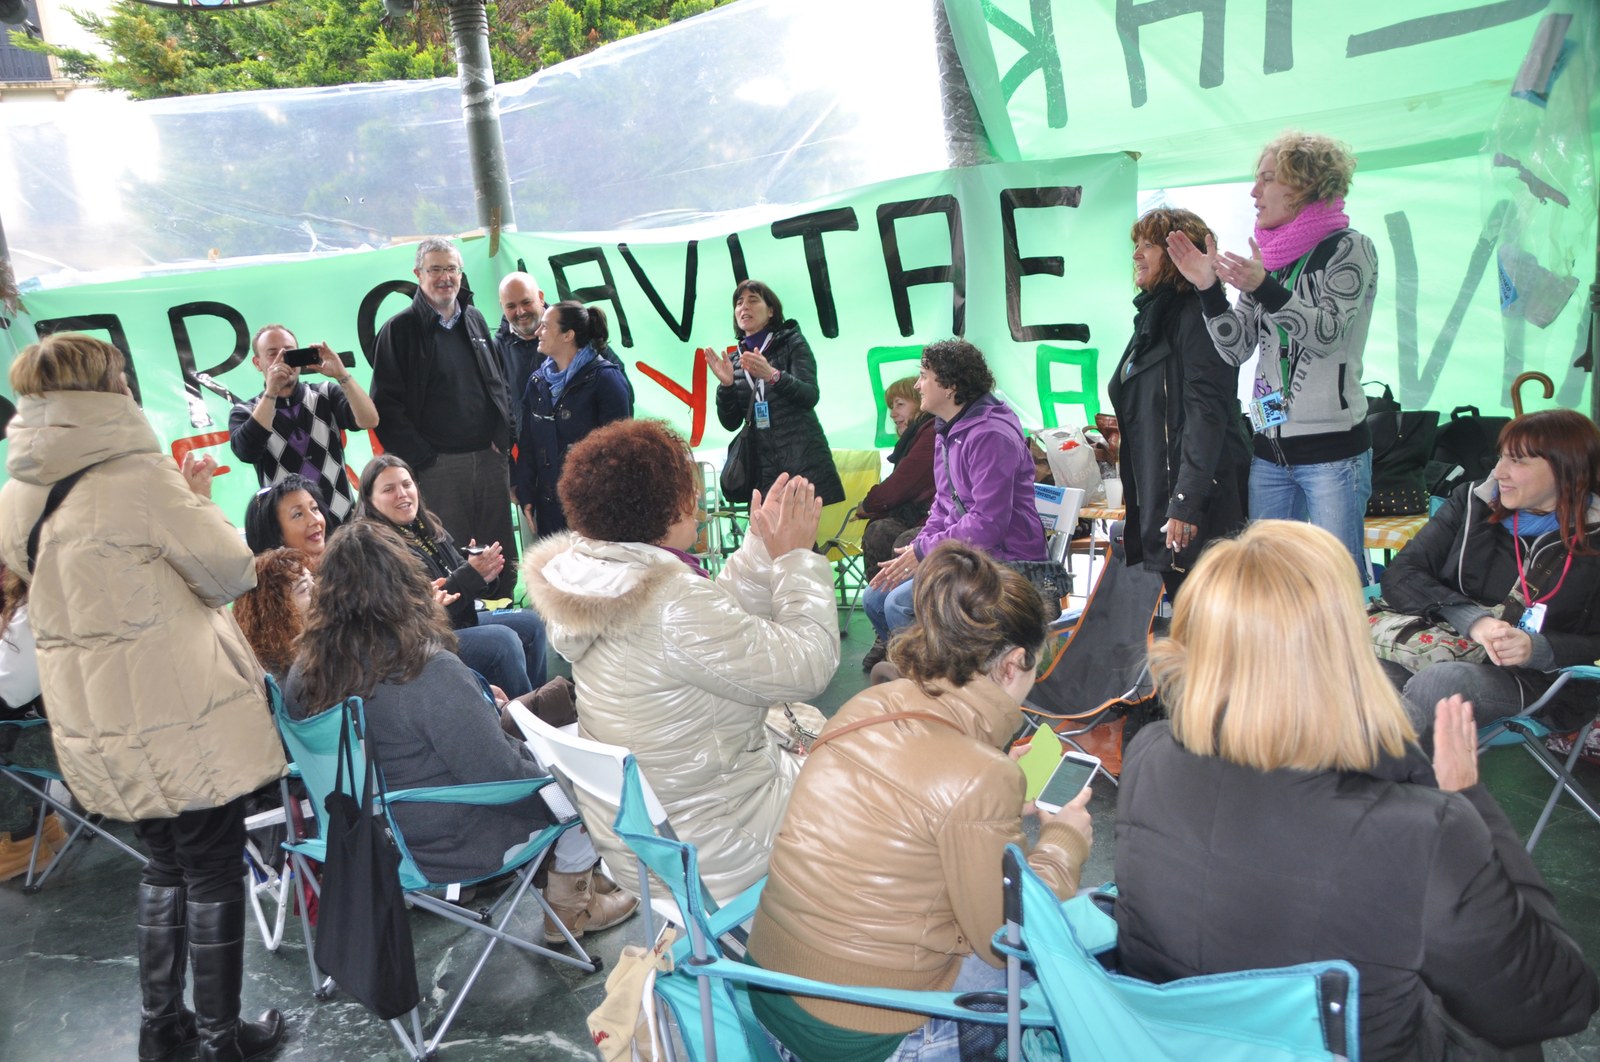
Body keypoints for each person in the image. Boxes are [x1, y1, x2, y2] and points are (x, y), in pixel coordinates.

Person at [1114, 520, 1598, 1060]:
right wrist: (1469, 801)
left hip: (1190, 1042)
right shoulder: (1423, 829)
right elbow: (1555, 999)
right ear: (1344, 646)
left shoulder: (1149, 756)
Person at [0, 333, 286, 1062]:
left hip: (99, 716)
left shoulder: (21, 485)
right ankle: (221, 1041)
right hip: (179, 709)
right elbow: (232, 572)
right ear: (104, 389)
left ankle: (162, 1030)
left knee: (162, 864)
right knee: (214, 866)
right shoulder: (138, 475)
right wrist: (193, 501)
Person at [748, 541, 1093, 1061]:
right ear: (1014, 663)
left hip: (773, 994)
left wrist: (986, 809)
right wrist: (1064, 844)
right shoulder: (980, 777)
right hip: (863, 1033)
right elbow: (1009, 941)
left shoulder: (866, 706)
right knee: (1067, 956)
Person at [522, 419, 838, 901]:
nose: (698, 500)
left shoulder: (601, 576)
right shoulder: (670, 603)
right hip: (720, 843)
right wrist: (795, 559)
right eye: (689, 486)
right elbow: (809, 664)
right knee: (877, 779)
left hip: (649, 836)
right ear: (666, 506)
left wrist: (759, 549)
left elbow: (711, 638)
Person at [281, 521, 635, 942]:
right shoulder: (424, 670)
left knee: (544, 727)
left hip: (367, 839)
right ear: (406, 585)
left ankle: (580, 878)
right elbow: (501, 777)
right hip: (449, 840)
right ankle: (572, 898)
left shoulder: (303, 673)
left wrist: (486, 707)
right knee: (592, 769)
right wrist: (554, 770)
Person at [1167, 130, 1378, 581]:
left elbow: (1325, 334)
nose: (1253, 192)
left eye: (1266, 179)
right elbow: (1235, 348)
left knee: (1335, 581)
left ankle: (1342, 654)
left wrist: (1262, 285)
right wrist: (1209, 291)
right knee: (1267, 583)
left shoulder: (1350, 248)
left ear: (1304, 184)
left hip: (1332, 456)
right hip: (1269, 454)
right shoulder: (1271, 258)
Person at [1377, 409, 1600, 734]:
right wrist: (1473, 620)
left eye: (1518, 461)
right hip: (1439, 644)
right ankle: (1366, 779)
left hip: (1539, 681)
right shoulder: (1471, 501)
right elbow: (1401, 574)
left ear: (1566, 469)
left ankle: (1400, 780)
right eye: (1501, 457)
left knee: (1442, 684)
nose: (1498, 472)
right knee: (1365, 673)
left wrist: (1537, 649)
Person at [864, 339, 1049, 646]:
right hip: (970, 555)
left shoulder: (991, 434)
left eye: (924, 376)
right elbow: (943, 504)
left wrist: (925, 552)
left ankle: (946, 684)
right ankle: (923, 680)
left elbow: (988, 523)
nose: (919, 385)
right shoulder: (947, 428)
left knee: (898, 605)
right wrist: (920, 548)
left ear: (949, 386)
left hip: (1006, 561)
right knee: (874, 598)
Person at [1108, 207, 1249, 597]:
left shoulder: (1196, 315)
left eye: (1148, 245)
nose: (1136, 254)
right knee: (1190, 619)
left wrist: (1185, 501)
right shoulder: (1156, 317)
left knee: (1210, 618)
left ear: (1178, 254)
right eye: (1136, 245)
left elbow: (1206, 412)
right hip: (1166, 493)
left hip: (1198, 498)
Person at [370, 238, 518, 598]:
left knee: (499, 553)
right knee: (450, 557)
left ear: (460, 273)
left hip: (488, 458)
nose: (444, 277)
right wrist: (423, 459)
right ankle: (465, 631)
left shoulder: (475, 319)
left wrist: (504, 437)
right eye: (435, 269)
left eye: (451, 268)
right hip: (437, 468)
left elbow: (500, 384)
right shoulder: (399, 330)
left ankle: (506, 616)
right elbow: (384, 406)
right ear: (417, 274)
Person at [357, 454, 549, 697]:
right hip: (424, 641)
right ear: (370, 500)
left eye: (407, 484)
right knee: (504, 641)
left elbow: (464, 577)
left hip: (461, 620)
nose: (402, 494)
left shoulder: (427, 526)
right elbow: (425, 614)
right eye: (389, 489)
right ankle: (518, 725)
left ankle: (539, 703)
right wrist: (472, 574)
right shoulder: (375, 547)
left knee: (531, 622)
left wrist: (486, 574)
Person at [227, 323, 378, 530]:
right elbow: (246, 452)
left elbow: (369, 420)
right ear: (257, 362)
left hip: (343, 524)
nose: (282, 359)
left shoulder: (325, 393)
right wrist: (271, 392)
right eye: (272, 354)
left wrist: (342, 375)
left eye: (289, 352)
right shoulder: (244, 411)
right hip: (289, 530)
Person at [708, 280, 844, 506]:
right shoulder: (734, 360)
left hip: (801, 458)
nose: (744, 307)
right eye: (739, 303)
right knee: (763, 537)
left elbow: (810, 395)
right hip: (762, 468)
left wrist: (773, 375)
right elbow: (730, 423)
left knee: (799, 539)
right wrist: (727, 386)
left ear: (771, 310)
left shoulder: (792, 342)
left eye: (753, 300)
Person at [512, 300, 633, 538]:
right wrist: (526, 493)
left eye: (546, 327)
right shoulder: (537, 382)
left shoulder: (606, 379)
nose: (538, 332)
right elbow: (527, 443)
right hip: (550, 511)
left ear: (568, 335)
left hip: (595, 511)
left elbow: (621, 450)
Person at [856, 375, 936, 670]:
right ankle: (886, 634)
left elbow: (901, 484)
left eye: (900, 404)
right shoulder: (915, 435)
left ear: (920, 404)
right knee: (879, 532)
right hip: (918, 516)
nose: (892, 413)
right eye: (891, 406)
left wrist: (868, 504)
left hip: (934, 523)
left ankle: (913, 635)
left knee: (903, 542)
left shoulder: (930, 434)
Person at [497, 272, 633, 428]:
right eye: (511, 306)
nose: (520, 312)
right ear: (502, 306)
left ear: (540, 297)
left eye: (526, 302)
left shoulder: (579, 331)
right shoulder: (495, 351)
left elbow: (621, 402)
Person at [0, 568, 67, 882]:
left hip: (96, 754)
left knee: (7, 731)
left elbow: (8, 693)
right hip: (132, 740)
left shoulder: (32, 609)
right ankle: (42, 822)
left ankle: (19, 840)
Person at [232, 548, 314, 679]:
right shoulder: (278, 678)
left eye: (313, 579)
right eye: (304, 588)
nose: (317, 590)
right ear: (277, 611)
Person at [242, 474, 329, 570]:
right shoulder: (280, 584)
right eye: (298, 514)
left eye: (314, 508)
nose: (315, 520)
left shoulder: (340, 566)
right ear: (275, 533)